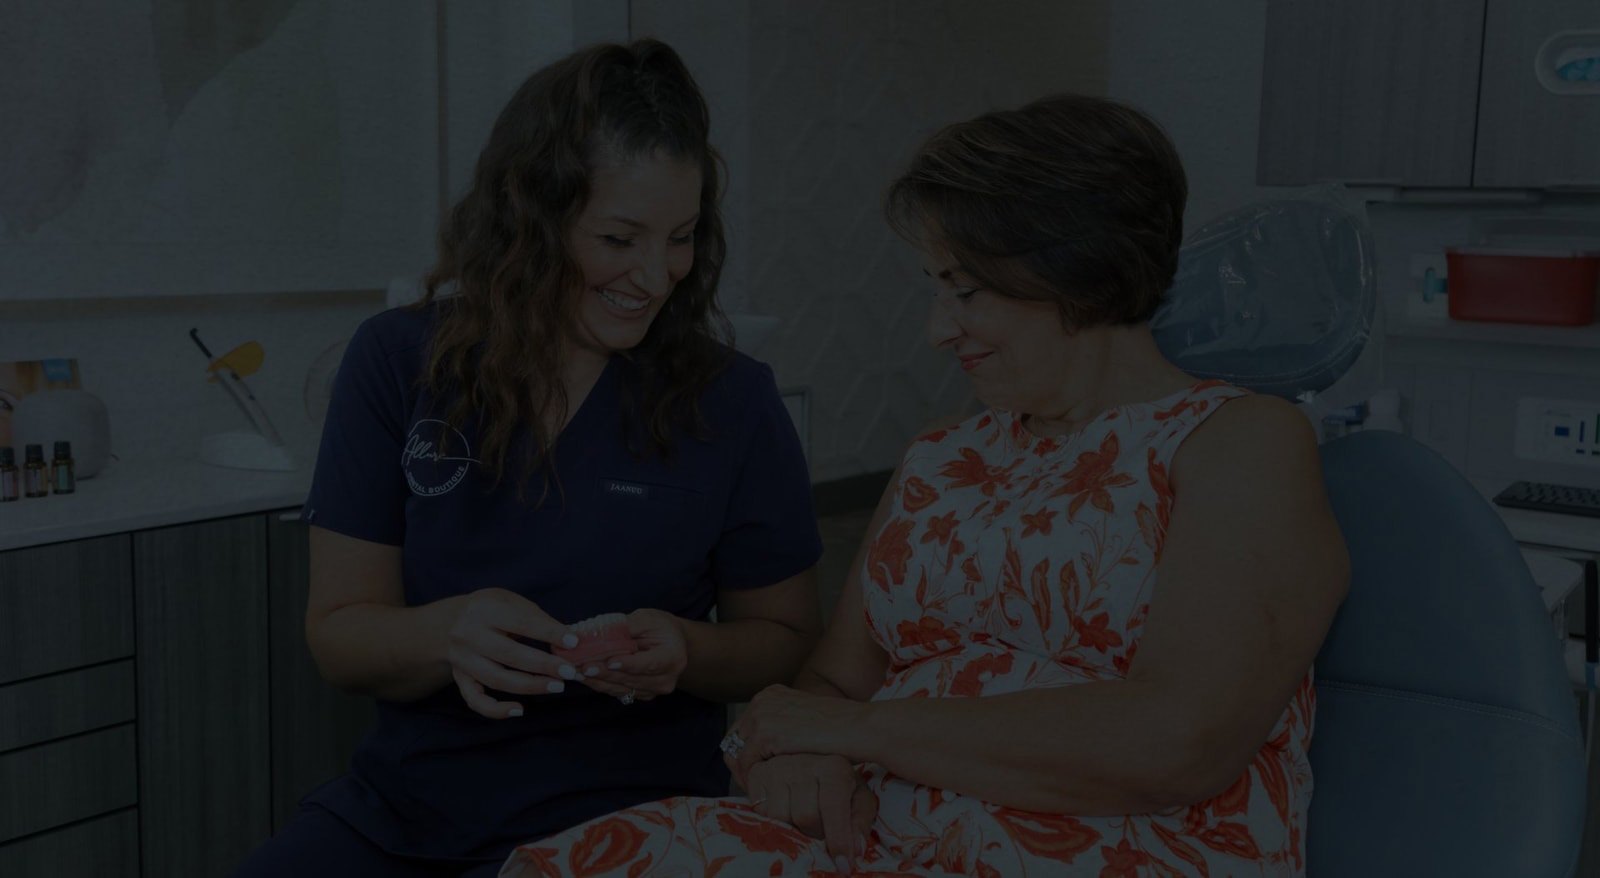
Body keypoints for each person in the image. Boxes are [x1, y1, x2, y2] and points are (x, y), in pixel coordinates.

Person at [501, 94, 1350, 877]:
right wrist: (803, 751)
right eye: (935, 289)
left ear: (1080, 273)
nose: (938, 330)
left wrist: (858, 732)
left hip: (1110, 848)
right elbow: (829, 689)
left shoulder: (1239, 443)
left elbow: (1180, 742)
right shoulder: (946, 457)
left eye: (966, 292)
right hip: (880, 838)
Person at [231, 39, 823, 877]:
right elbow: (339, 637)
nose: (655, 277)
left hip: (632, 820)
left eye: (681, 238)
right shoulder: (400, 363)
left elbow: (786, 638)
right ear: (532, 218)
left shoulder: (732, 401)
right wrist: (448, 634)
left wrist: (688, 649)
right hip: (402, 815)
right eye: (619, 238)